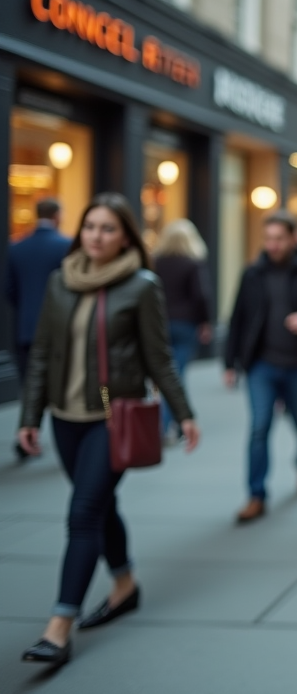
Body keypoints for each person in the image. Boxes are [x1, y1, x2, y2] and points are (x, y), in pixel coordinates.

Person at [16, 193, 200, 666]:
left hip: (110, 418)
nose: (96, 236)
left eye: (107, 229)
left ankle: (59, 626)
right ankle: (124, 584)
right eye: (90, 227)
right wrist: (29, 417)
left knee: (82, 513)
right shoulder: (61, 281)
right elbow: (41, 354)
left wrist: (183, 414)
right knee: (100, 505)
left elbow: (159, 358)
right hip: (65, 417)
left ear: (125, 238)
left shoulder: (141, 285)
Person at [224, 210, 297, 524]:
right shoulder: (252, 274)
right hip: (261, 366)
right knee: (259, 428)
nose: (272, 245)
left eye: (279, 238)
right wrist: (230, 362)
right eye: (268, 238)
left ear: (292, 239)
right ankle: (256, 495)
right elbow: (237, 319)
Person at [4, 198, 71, 461]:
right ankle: (57, 438)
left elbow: (9, 289)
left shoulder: (17, 247)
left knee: (29, 384)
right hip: (58, 330)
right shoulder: (65, 245)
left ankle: (27, 434)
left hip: (26, 326)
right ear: (56, 215)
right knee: (60, 386)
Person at [152, 219, 213, 443]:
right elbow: (201, 296)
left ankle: (166, 422)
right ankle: (168, 424)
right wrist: (206, 322)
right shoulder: (192, 263)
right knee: (176, 375)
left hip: (158, 324)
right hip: (185, 324)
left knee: (162, 375)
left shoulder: (156, 262)